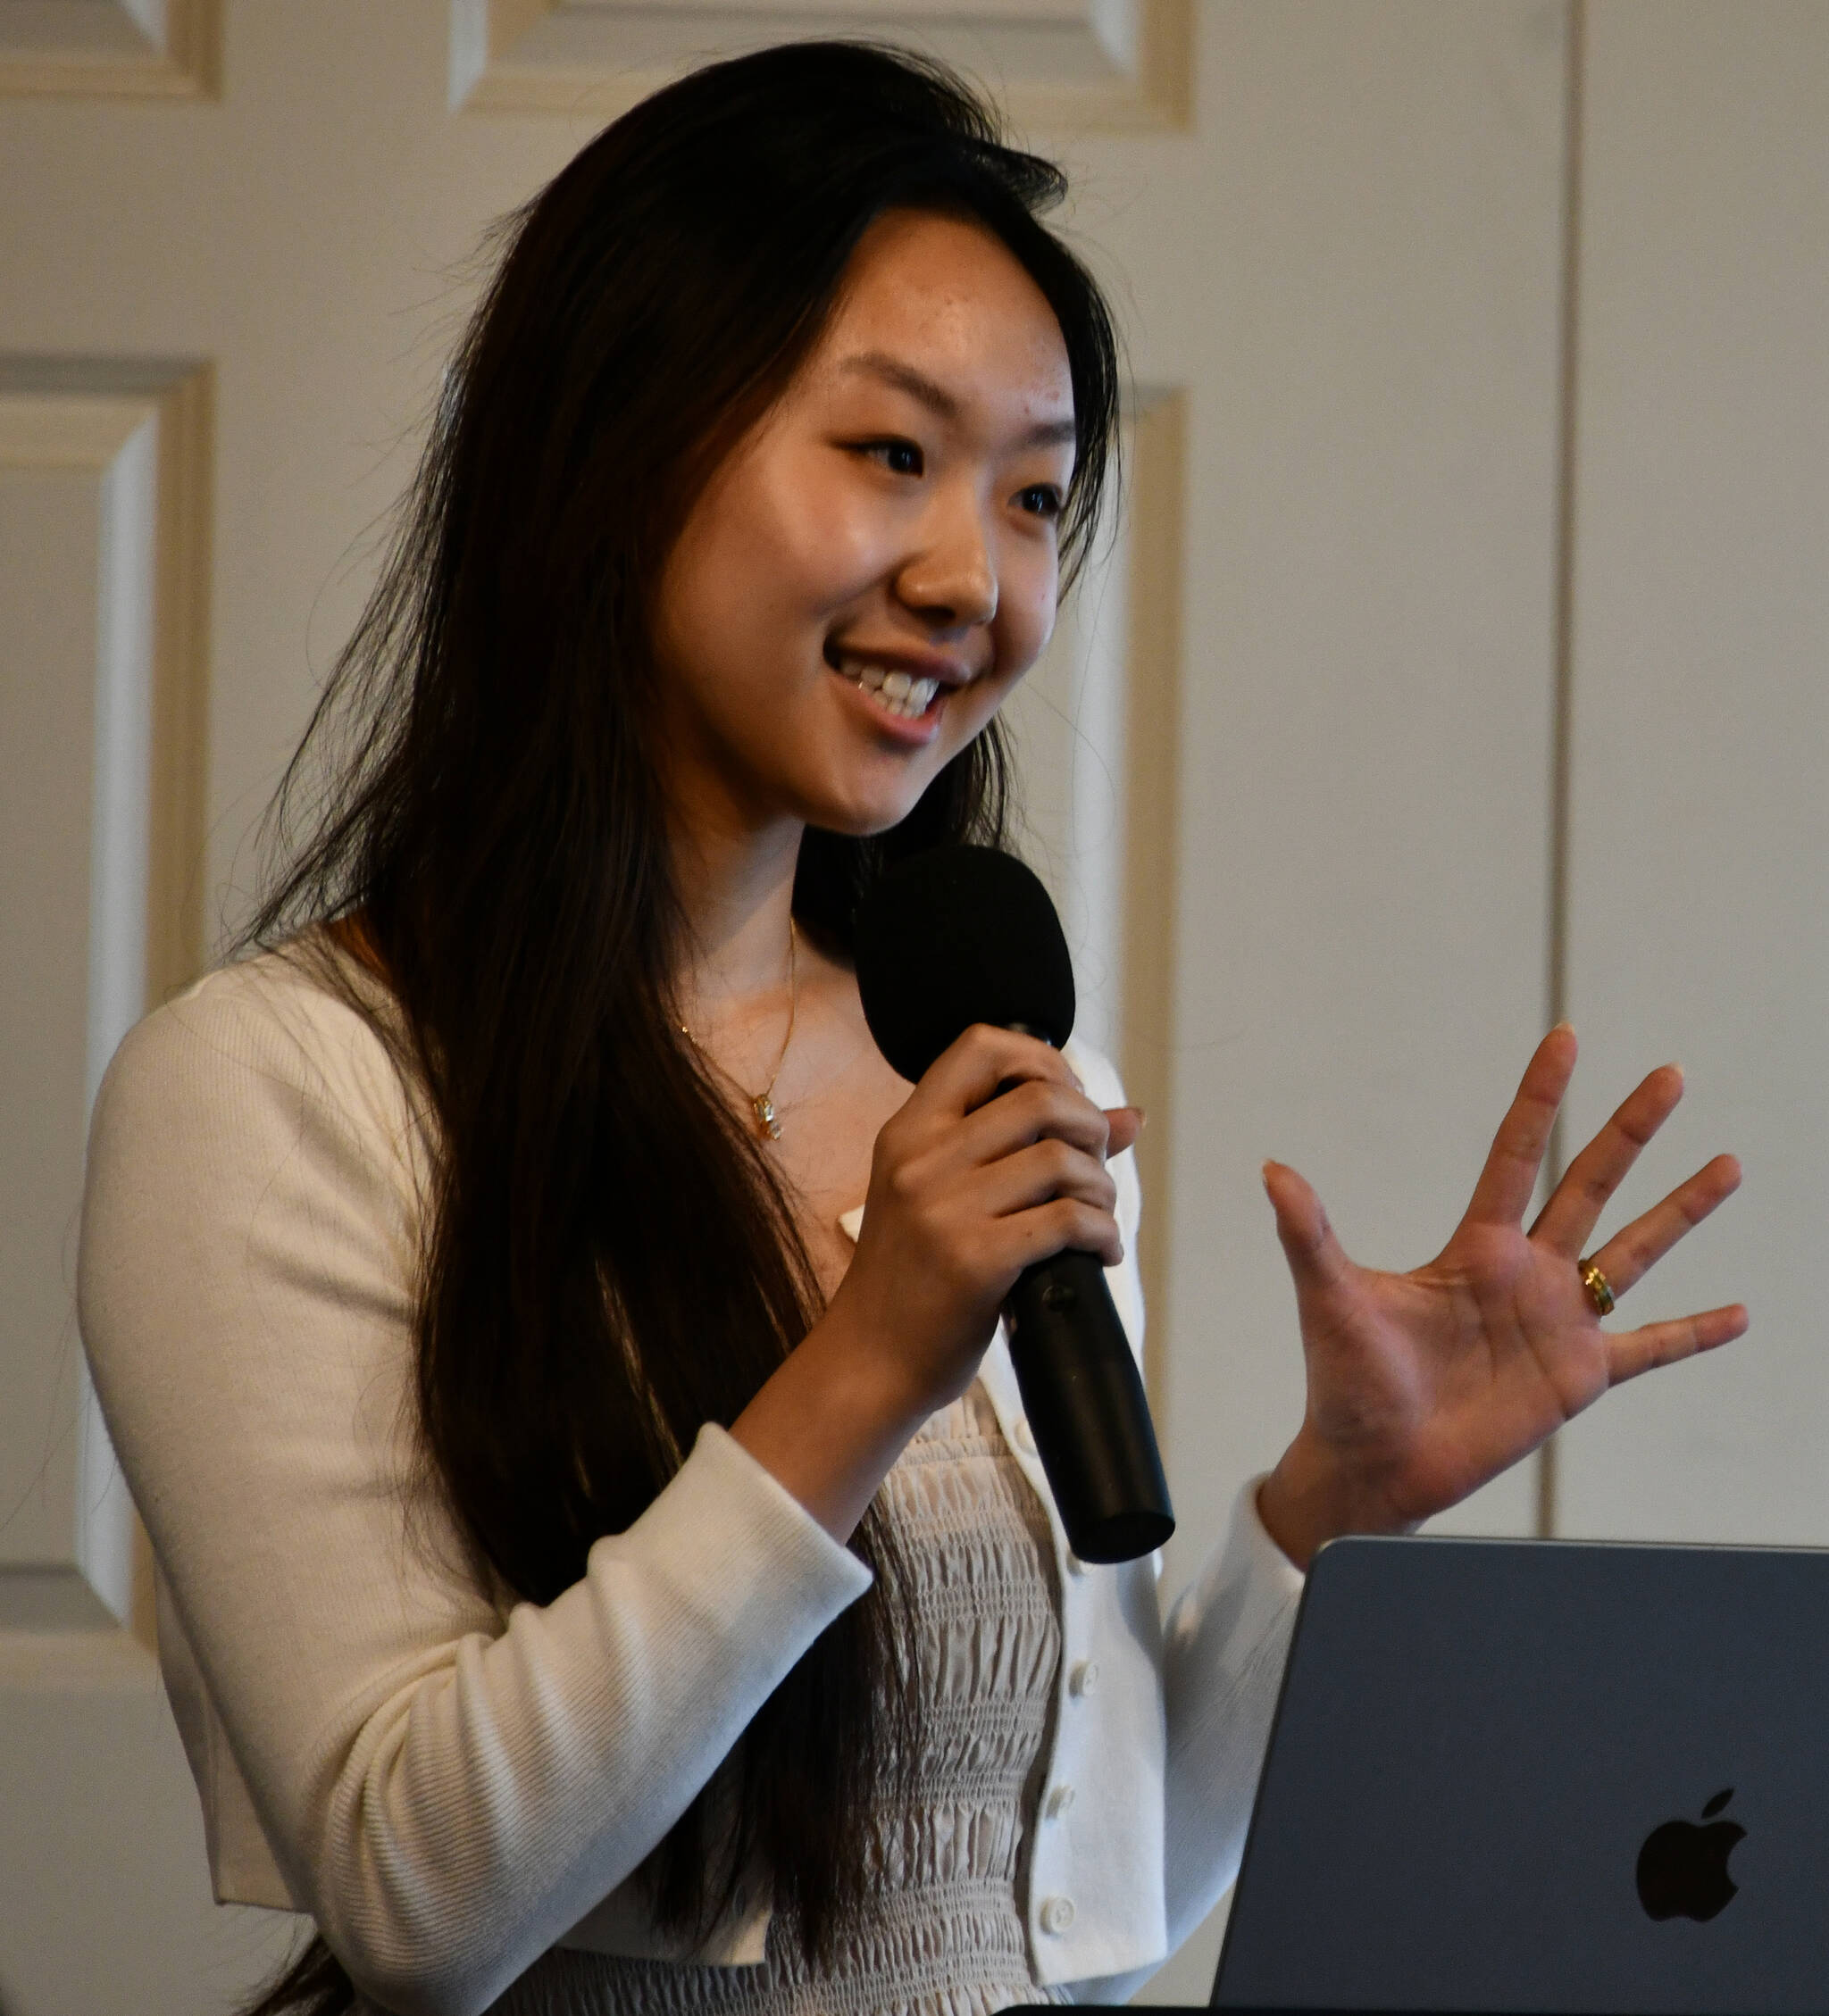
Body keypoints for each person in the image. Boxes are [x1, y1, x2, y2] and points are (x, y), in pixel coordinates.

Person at [75, 40, 1746, 2016]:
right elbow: (418, 1899)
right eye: (891, 454)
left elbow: (1076, 1886)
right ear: (617, 445)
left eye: (1035, 497)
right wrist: (861, 1364)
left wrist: (1327, 1519)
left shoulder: (1014, 1078)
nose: (975, 579)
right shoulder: (283, 1091)